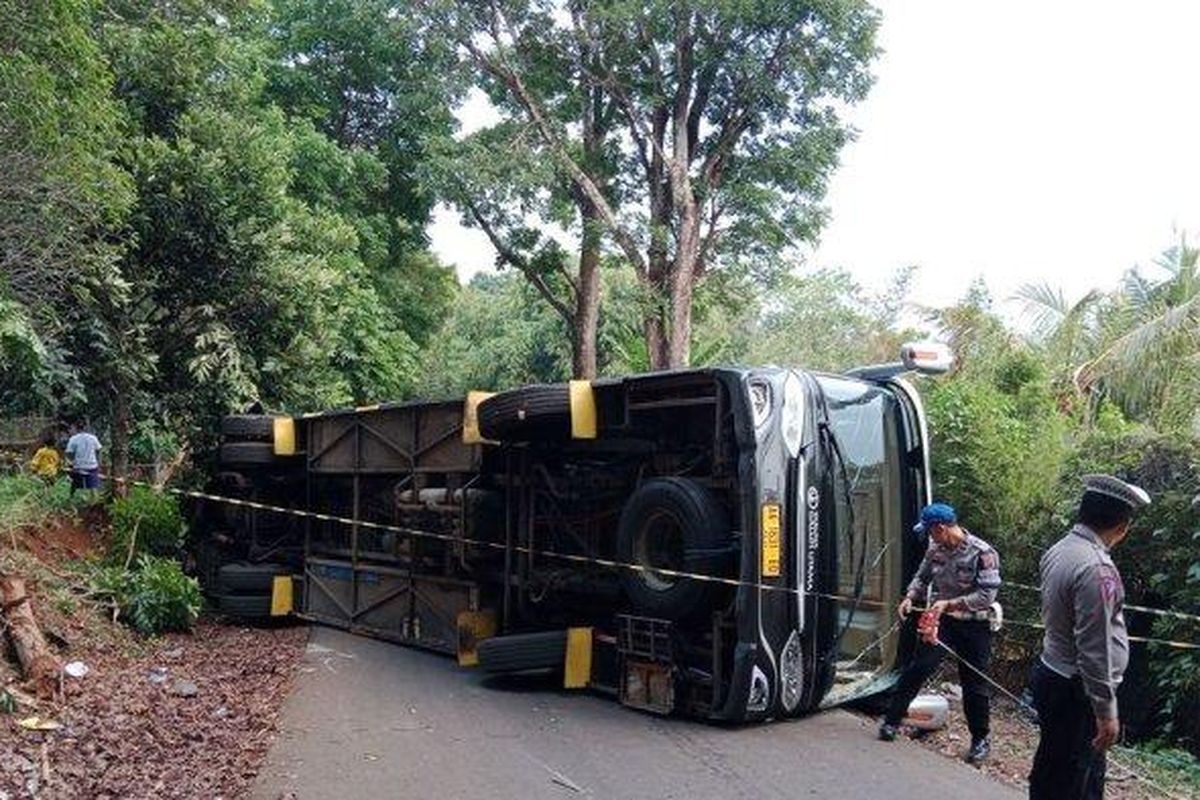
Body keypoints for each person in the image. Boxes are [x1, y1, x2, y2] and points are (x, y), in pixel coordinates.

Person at [1029, 474, 1150, 800]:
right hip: (1077, 689)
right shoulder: (1097, 569)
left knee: (1057, 768)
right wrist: (1106, 711)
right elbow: (1094, 650)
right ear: (1122, 527)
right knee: (1071, 780)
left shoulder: (1060, 549)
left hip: (1053, 673)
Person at [878, 502, 1002, 764]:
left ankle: (980, 740)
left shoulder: (983, 553)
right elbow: (922, 578)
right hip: (943, 621)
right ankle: (891, 720)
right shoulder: (935, 550)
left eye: (930, 532)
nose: (929, 537)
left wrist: (951, 603)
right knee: (920, 667)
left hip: (974, 624)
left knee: (974, 683)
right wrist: (910, 597)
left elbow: (986, 595)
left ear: (942, 528)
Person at [65, 421, 102, 498]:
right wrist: (98, 461)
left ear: (76, 429)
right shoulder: (93, 438)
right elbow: (98, 450)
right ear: (86, 428)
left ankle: (72, 498)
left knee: (74, 485)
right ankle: (95, 499)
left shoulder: (73, 439)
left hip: (79, 466)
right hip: (92, 465)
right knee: (93, 486)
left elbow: (69, 453)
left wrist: (73, 461)